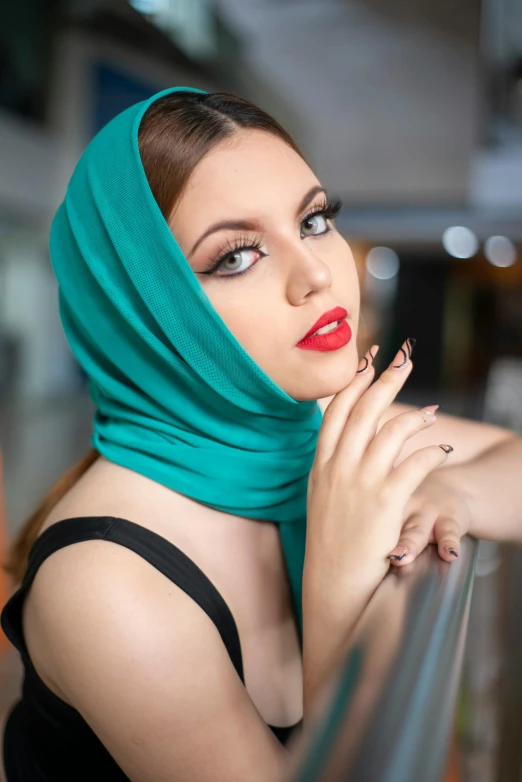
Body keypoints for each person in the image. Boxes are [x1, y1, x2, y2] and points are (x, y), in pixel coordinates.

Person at [2, 86, 522, 782]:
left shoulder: (305, 432)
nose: (316, 274)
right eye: (236, 257)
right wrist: (339, 586)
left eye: (313, 221)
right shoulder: (105, 584)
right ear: (146, 312)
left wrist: (447, 491)